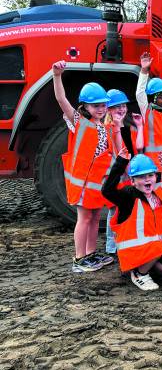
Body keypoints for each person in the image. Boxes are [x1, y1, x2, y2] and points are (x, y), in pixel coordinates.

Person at [52, 61, 114, 273]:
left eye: (103, 105)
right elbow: (61, 99)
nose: (101, 109)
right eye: (96, 106)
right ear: (85, 107)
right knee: (85, 218)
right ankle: (79, 259)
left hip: (97, 182)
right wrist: (57, 76)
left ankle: (90, 253)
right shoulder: (77, 121)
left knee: (95, 217)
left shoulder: (104, 126)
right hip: (82, 182)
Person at [101, 151, 162, 291]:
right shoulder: (128, 196)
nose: (147, 180)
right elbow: (107, 191)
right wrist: (120, 163)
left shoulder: (161, 189)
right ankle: (139, 274)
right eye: (141, 177)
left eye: (150, 175)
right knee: (159, 248)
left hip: (153, 249)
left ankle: (151, 268)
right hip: (133, 252)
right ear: (132, 181)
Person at [104, 89, 145, 256]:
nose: (121, 109)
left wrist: (141, 126)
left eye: (122, 106)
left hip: (130, 174)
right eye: (116, 107)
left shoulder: (129, 128)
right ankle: (111, 246)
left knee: (128, 208)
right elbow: (118, 150)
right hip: (118, 174)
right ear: (108, 109)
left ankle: (125, 240)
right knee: (114, 209)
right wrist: (117, 125)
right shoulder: (107, 128)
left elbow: (140, 147)